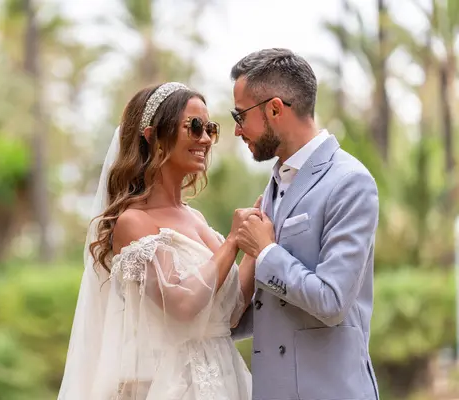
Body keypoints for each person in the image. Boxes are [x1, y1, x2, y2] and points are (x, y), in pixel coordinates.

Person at [58, 82, 256, 400]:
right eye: (193, 127)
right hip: (173, 386)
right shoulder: (134, 222)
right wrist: (233, 241)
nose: (205, 139)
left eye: (210, 128)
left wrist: (257, 248)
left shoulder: (197, 219)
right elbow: (183, 304)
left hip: (224, 378)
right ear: (152, 136)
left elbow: (229, 313)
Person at [230, 48, 380, 400]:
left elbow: (331, 302)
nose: (237, 130)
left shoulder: (350, 182)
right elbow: (267, 306)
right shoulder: (272, 187)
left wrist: (265, 251)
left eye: (240, 116)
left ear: (275, 109)